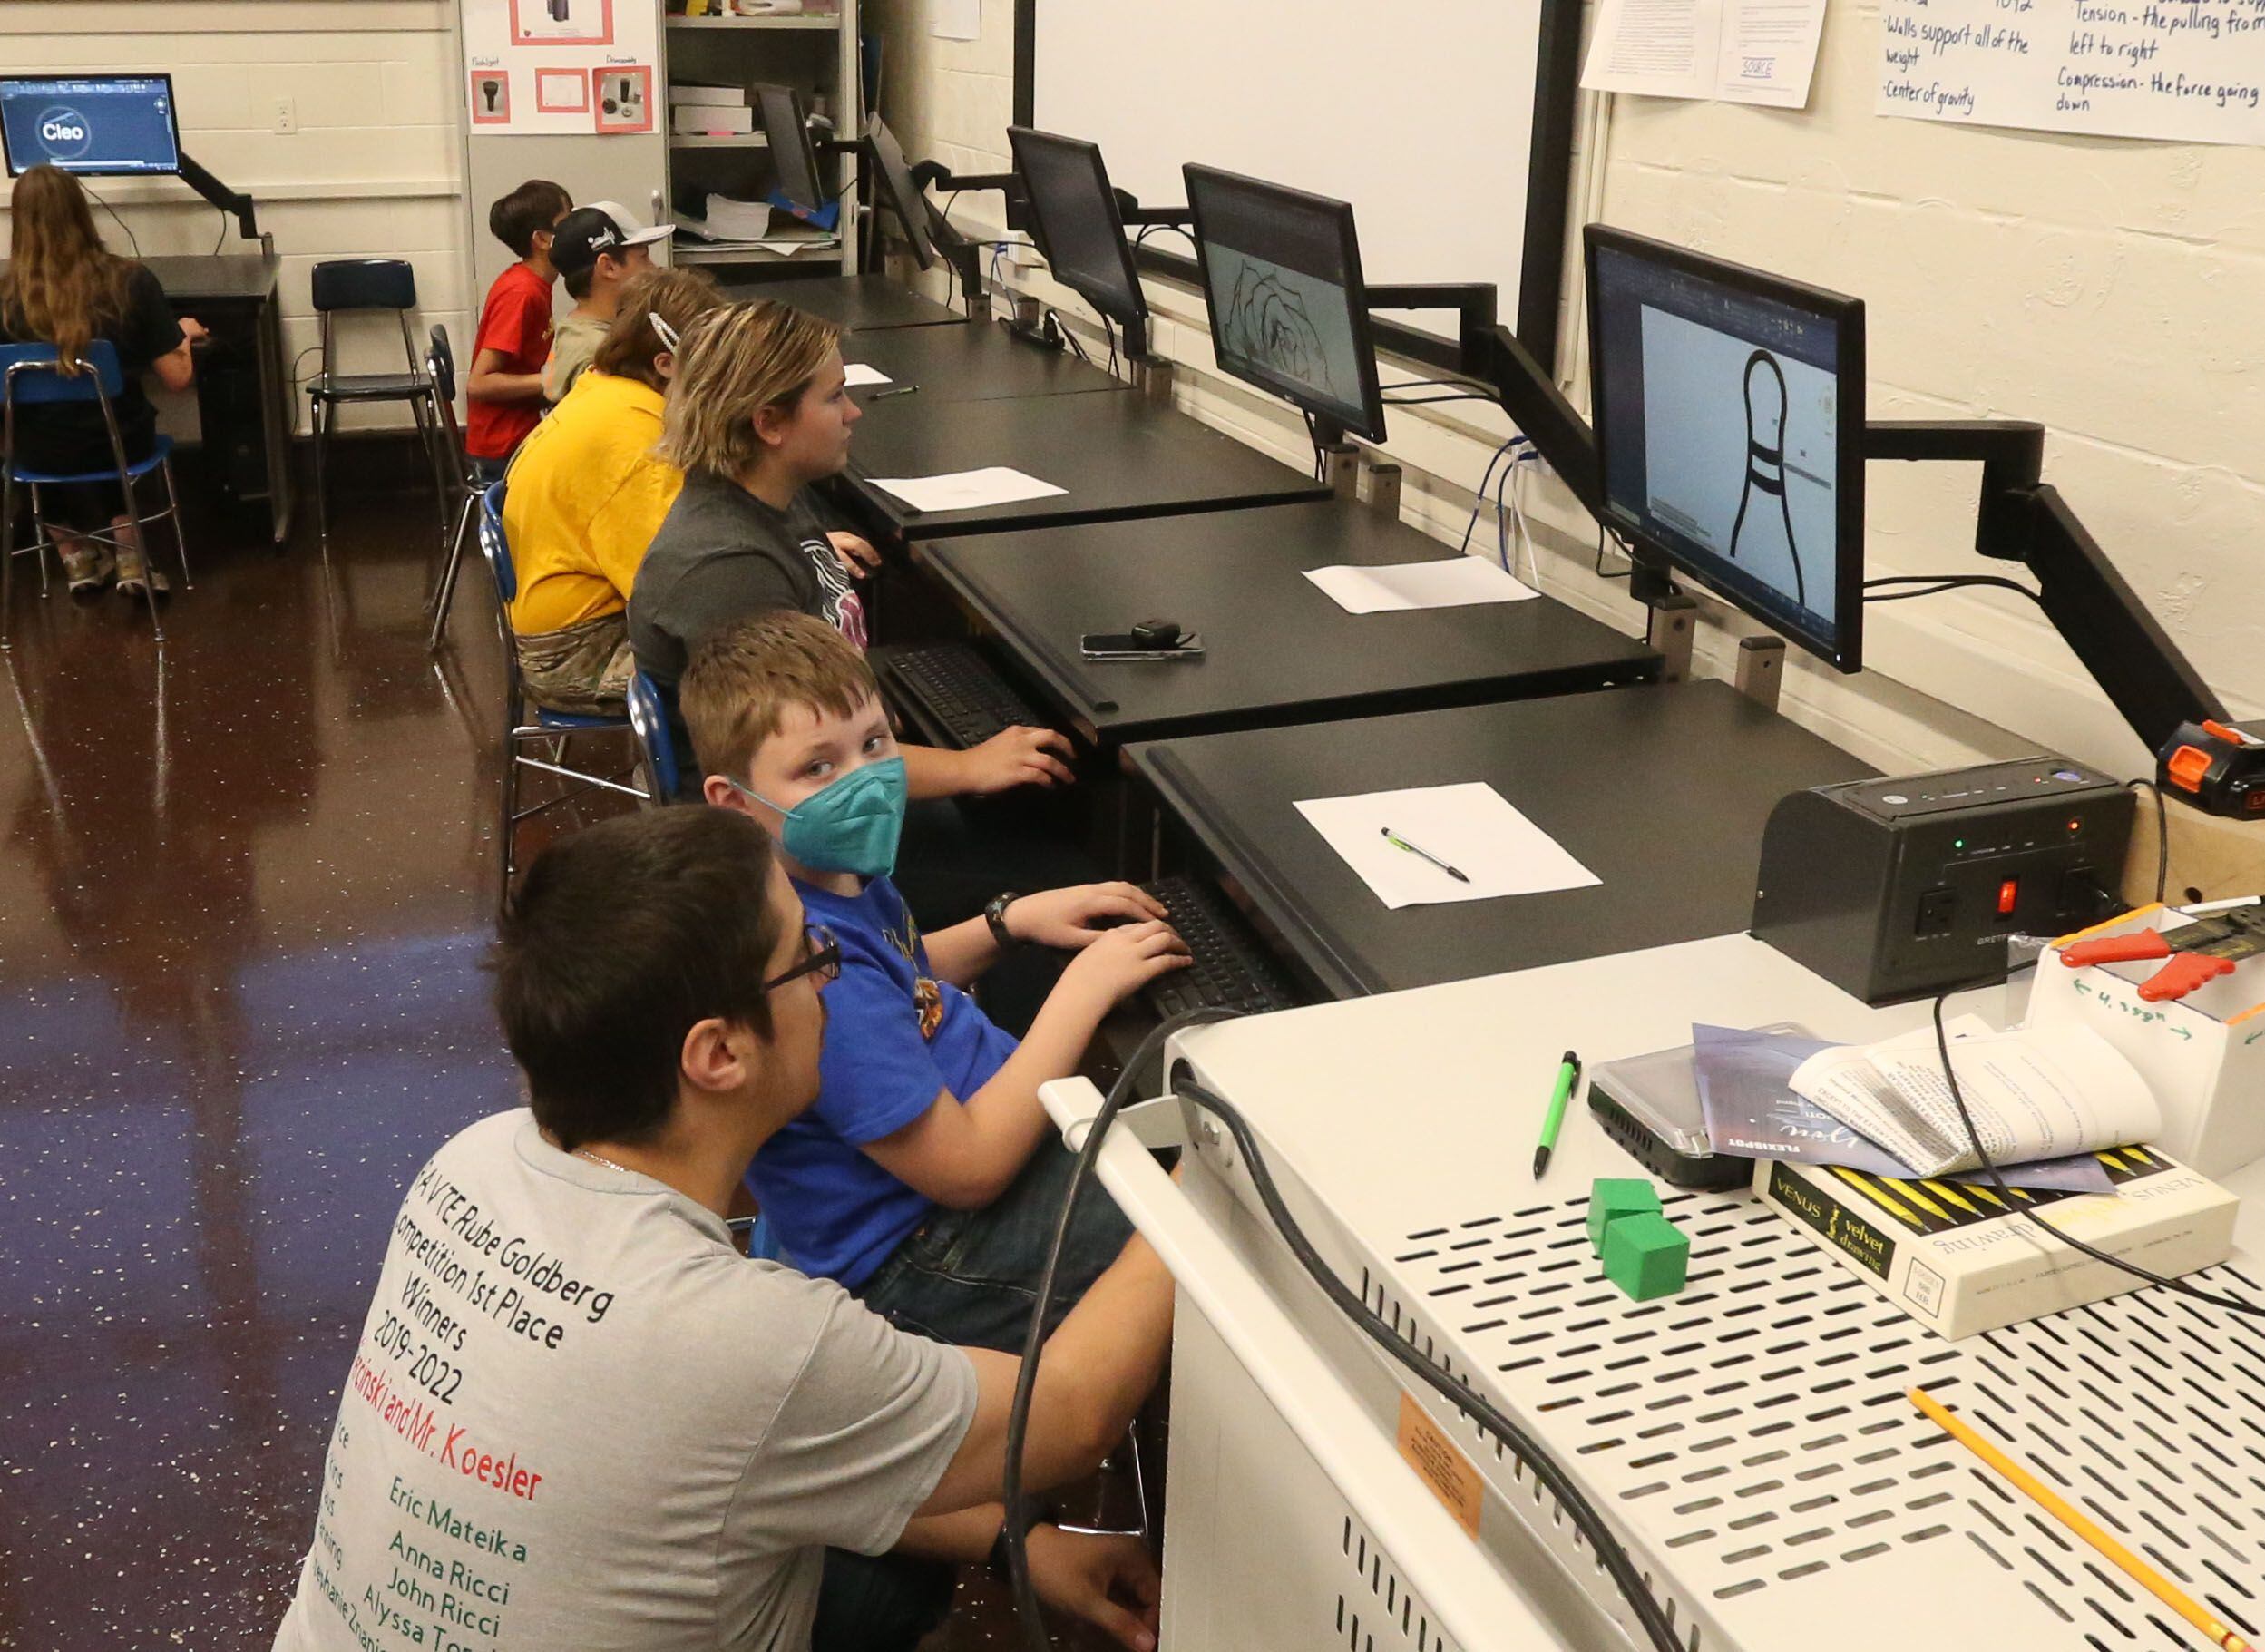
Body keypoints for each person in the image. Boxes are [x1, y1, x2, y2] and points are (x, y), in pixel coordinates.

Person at [268, 806, 1170, 1652]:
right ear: (719, 1054)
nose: (835, 969)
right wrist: (1208, 1183)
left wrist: (1025, 1544)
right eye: (811, 954)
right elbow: (1072, 1411)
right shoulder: (742, 1337)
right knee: (881, 1577)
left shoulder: (469, 1162)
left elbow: (730, 1459)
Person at [679, 611, 1191, 1352]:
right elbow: (972, 1169)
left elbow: (905, 978)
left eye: (875, 743)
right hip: (923, 1254)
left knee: (1176, 1153)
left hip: (943, 1168)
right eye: (818, 767)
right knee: (1212, 1214)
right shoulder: (809, 964)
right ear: (733, 802)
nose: (867, 780)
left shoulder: (828, 880)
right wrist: (1081, 990)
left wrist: (1007, 922)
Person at [628, 299, 1073, 802]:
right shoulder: (729, 571)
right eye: (835, 396)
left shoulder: (769, 499)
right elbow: (818, 769)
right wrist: (969, 766)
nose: (853, 412)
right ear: (769, 423)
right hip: (788, 842)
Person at [502, 267, 723, 714]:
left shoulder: (606, 389)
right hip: (577, 653)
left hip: (563, 623)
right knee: (753, 673)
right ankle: (680, 777)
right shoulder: (636, 446)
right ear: (666, 364)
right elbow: (675, 592)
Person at [0, 164, 205, 598]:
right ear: (81, 212)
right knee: (112, 422)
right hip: (120, 444)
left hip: (35, 456)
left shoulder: (5, 296)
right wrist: (183, 334)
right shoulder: (128, 280)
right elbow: (177, 378)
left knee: (44, 432)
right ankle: (131, 557)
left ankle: (75, 557)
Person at [464, 178, 571, 481]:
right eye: (568, 219)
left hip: (518, 432)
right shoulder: (521, 293)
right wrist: (549, 381)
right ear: (542, 239)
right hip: (503, 446)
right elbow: (479, 384)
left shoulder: (536, 285)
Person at [541, 200, 673, 402]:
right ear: (608, 267)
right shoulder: (598, 354)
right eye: (643, 257)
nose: (654, 268)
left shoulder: (578, 331)